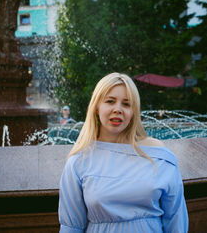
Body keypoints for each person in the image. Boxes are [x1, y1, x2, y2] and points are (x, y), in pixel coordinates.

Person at [58, 72, 188, 233]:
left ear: (134, 111)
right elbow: (72, 226)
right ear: (97, 107)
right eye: (110, 101)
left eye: (126, 104)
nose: (118, 109)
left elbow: (176, 218)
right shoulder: (78, 161)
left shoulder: (159, 155)